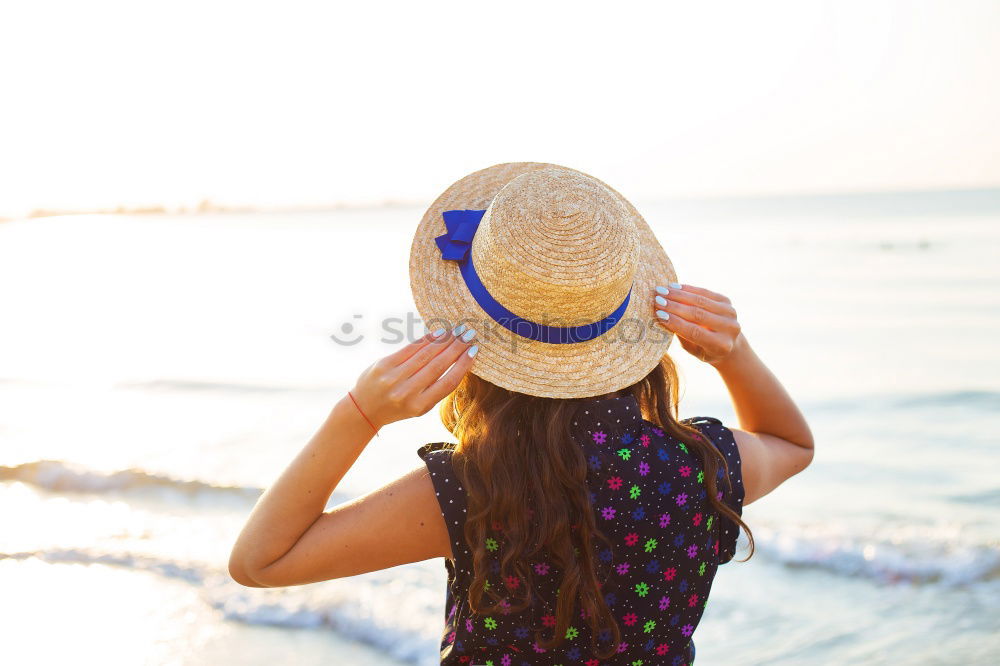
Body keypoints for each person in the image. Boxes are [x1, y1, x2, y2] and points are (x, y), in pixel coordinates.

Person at [228, 163, 815, 665]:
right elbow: (791, 444)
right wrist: (732, 354)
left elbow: (261, 562)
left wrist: (357, 415)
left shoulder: (472, 490)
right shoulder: (703, 465)